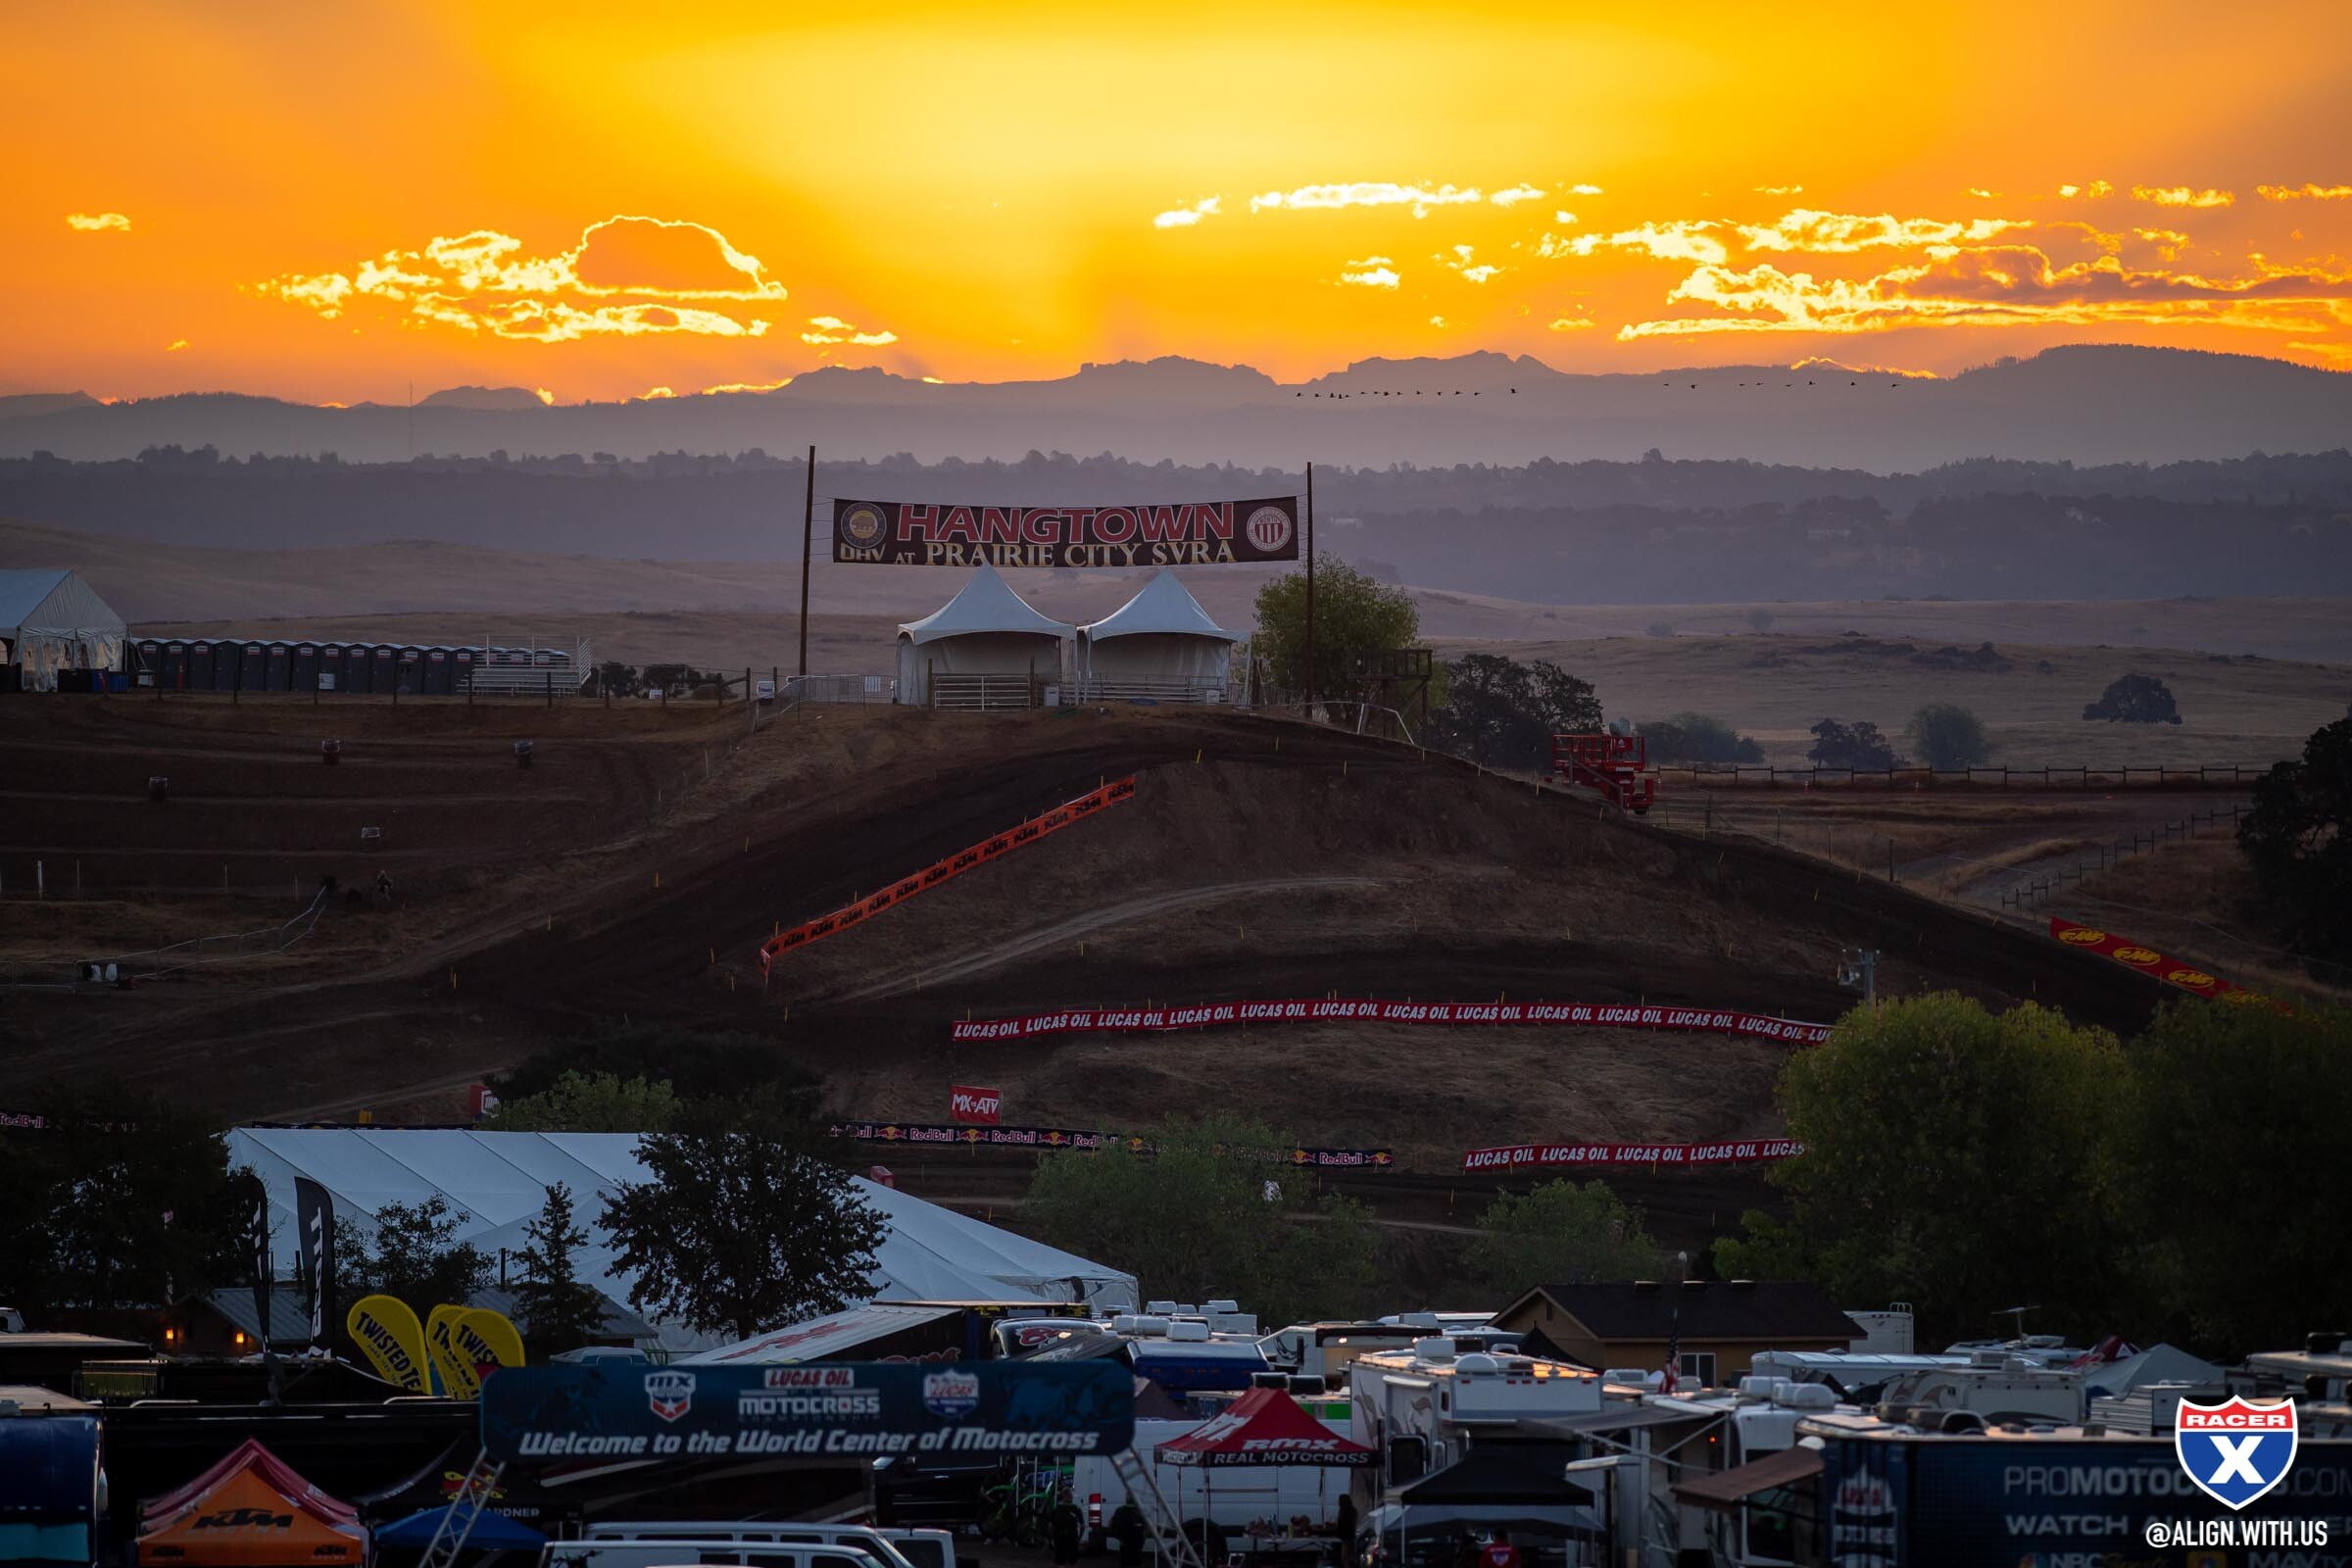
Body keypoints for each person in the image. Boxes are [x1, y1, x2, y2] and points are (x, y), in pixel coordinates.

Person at [1109, 1498, 1149, 1568]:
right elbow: (1147, 1527)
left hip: (1124, 1543)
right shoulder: (1141, 1510)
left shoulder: (1120, 1510)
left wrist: (1119, 1537)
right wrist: (1143, 1539)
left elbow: (1111, 1524)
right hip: (1137, 1543)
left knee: (1125, 1562)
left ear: (1126, 1500)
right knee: (1136, 1563)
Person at [1050, 1492, 1084, 1567]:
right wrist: (1079, 1538)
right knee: (1073, 1562)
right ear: (1071, 1496)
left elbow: (1051, 1525)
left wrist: (1052, 1537)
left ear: (1063, 1496)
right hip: (1073, 1537)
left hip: (1060, 1537)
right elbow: (1083, 1526)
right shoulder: (1076, 1508)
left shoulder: (1057, 1508)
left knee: (1061, 1562)